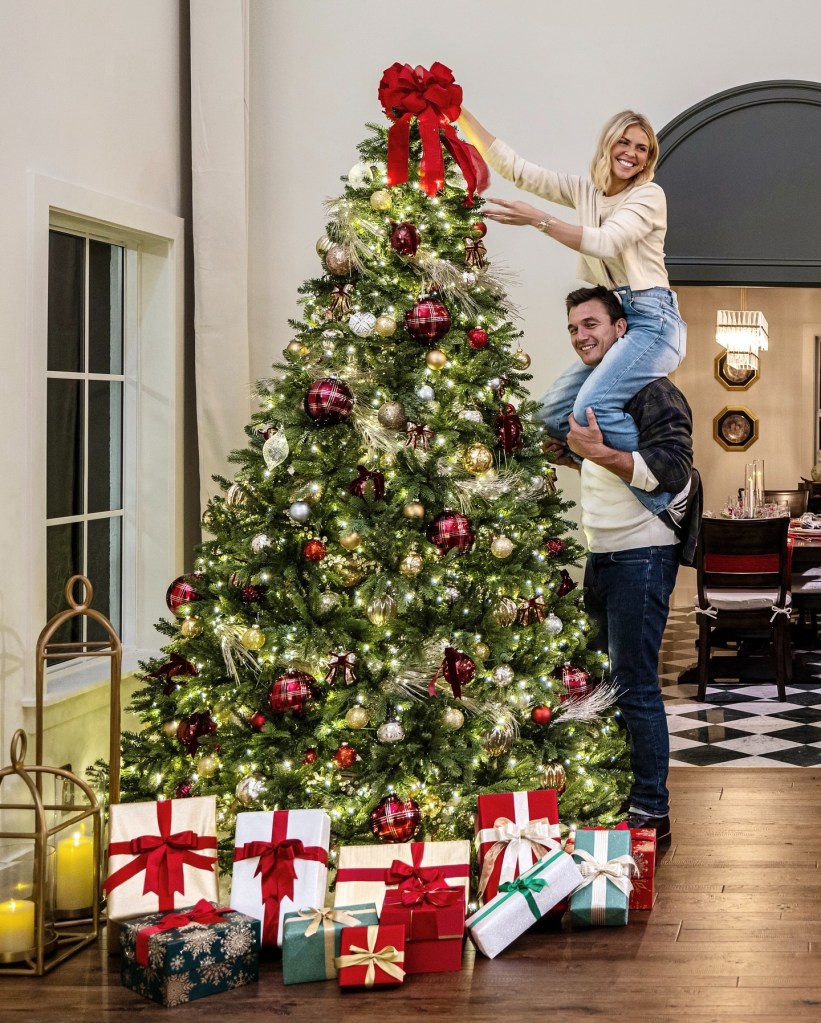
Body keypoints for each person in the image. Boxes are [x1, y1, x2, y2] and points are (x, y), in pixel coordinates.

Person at [456, 106, 686, 514]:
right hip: (622, 318)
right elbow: (517, 169)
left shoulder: (648, 195)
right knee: (552, 413)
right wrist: (459, 114)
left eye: (642, 149)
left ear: (648, 159)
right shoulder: (587, 191)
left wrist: (538, 220)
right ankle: (594, 463)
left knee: (589, 408)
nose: (631, 153)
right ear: (607, 143)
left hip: (653, 319)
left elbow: (605, 242)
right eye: (624, 142)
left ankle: (667, 492)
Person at [547, 286, 700, 843]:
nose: (581, 336)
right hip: (603, 555)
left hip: (643, 555)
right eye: (573, 328)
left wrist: (601, 454)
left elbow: (672, 467)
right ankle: (618, 792)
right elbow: (595, 456)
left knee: (635, 685)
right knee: (607, 684)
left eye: (591, 324)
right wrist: (570, 453)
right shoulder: (594, 392)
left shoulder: (654, 391)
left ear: (620, 330)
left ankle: (651, 814)